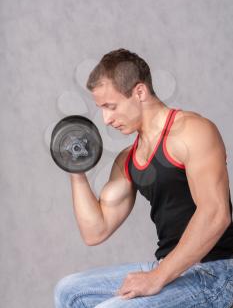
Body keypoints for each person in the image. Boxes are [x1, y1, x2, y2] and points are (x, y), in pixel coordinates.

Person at [54, 49, 233, 307]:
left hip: (217, 272)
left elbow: (216, 214)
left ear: (139, 92)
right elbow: (96, 230)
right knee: (69, 291)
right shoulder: (128, 158)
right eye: (101, 109)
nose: (106, 119)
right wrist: (75, 169)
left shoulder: (192, 132)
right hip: (172, 269)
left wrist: (157, 277)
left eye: (111, 106)